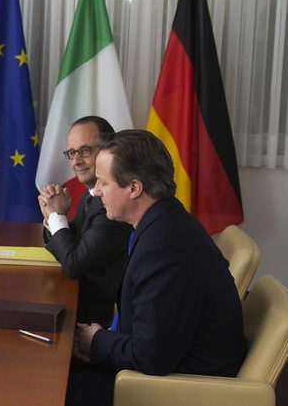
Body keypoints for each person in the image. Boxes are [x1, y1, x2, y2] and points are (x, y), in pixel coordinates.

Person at [67, 129, 247, 406]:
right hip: (169, 366)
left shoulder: (163, 249)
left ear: (134, 188)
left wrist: (97, 340)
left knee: (50, 388)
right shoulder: (167, 219)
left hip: (176, 389)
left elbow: (151, 355)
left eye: (103, 182)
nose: (97, 190)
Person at [39, 116, 132, 328]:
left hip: (96, 319)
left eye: (85, 151)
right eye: (72, 153)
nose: (76, 161)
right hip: (78, 298)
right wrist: (51, 217)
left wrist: (56, 217)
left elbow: (74, 264)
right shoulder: (92, 195)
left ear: (109, 149)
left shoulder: (113, 206)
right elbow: (73, 241)